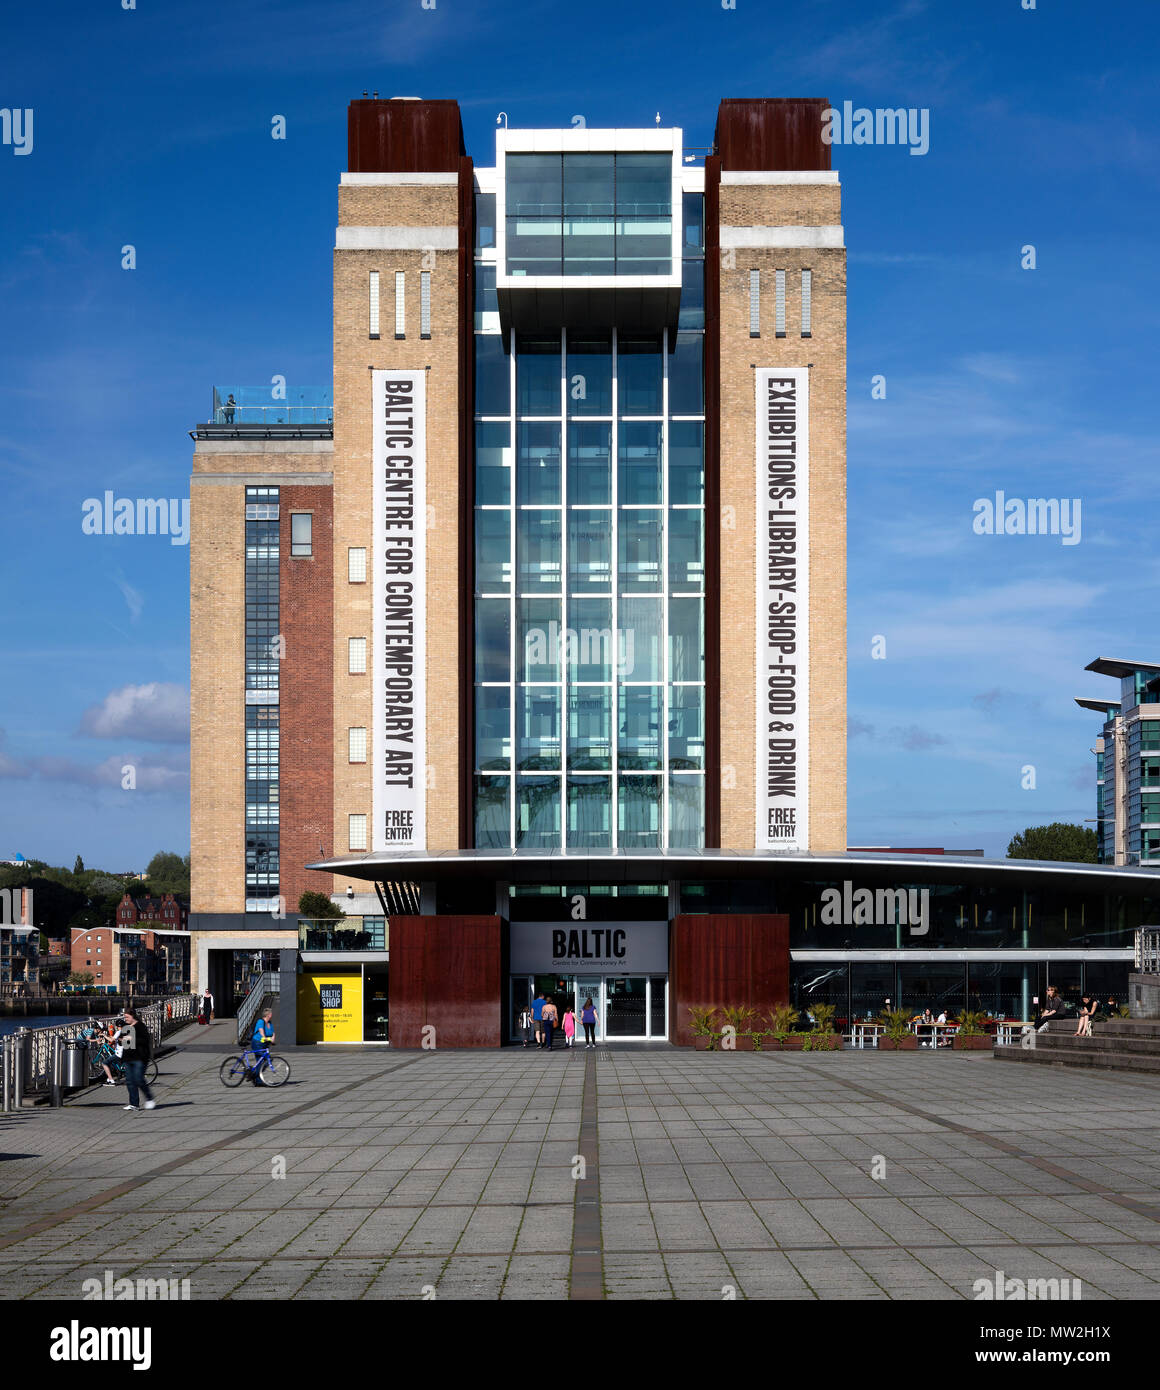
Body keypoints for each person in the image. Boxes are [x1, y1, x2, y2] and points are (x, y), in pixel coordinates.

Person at [119, 1007, 155, 1112]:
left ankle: (149, 1098)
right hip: (128, 1057)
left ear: (132, 1016)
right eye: (124, 1017)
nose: (125, 1019)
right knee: (130, 1081)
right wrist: (121, 1040)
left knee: (139, 1079)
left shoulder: (140, 1026)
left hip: (139, 1057)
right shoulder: (125, 1026)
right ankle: (134, 1104)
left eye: (127, 1017)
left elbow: (145, 1040)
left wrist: (132, 1038)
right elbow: (122, 1040)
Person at [251, 1007, 275, 1086]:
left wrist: (273, 1040)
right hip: (257, 1043)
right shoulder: (260, 1021)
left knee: (267, 1061)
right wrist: (265, 1037)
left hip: (265, 1044)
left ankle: (255, 1076)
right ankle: (256, 1079)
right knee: (261, 1061)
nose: (271, 1015)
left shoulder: (270, 1023)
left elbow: (273, 1033)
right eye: (271, 1013)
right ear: (268, 1015)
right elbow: (261, 1031)